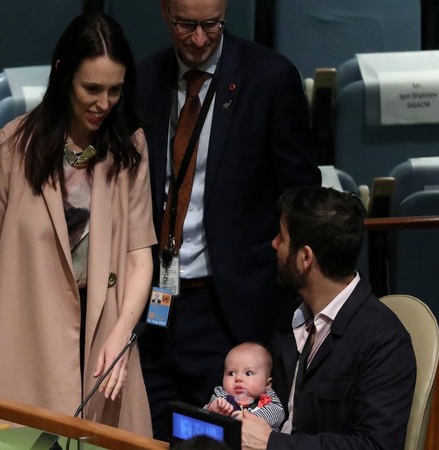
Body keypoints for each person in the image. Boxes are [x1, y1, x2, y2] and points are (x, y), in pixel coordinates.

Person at [0, 13, 156, 437]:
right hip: (24, 342)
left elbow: (139, 258)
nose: (104, 103)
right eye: (92, 89)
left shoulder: (130, 147)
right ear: (63, 73)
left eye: (115, 90)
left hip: (103, 347)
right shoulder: (13, 145)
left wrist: (121, 336)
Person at [135, 0, 321, 439]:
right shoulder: (143, 80)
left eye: (211, 25)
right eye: (186, 25)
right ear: (165, 13)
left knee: (219, 441)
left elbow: (300, 193)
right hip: (157, 301)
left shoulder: (269, 78)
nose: (199, 39)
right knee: (156, 433)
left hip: (232, 307)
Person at [239, 186, 416, 449]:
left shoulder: (385, 340)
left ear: (305, 257)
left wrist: (273, 444)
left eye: (282, 237)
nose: (274, 244)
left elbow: (376, 446)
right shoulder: (290, 318)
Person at [205, 342, 284, 431]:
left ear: (267, 384)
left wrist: (250, 418)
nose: (238, 378)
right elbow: (202, 414)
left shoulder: (269, 398)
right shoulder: (221, 395)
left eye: (248, 373)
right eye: (231, 373)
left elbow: (278, 413)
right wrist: (212, 409)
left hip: (259, 442)